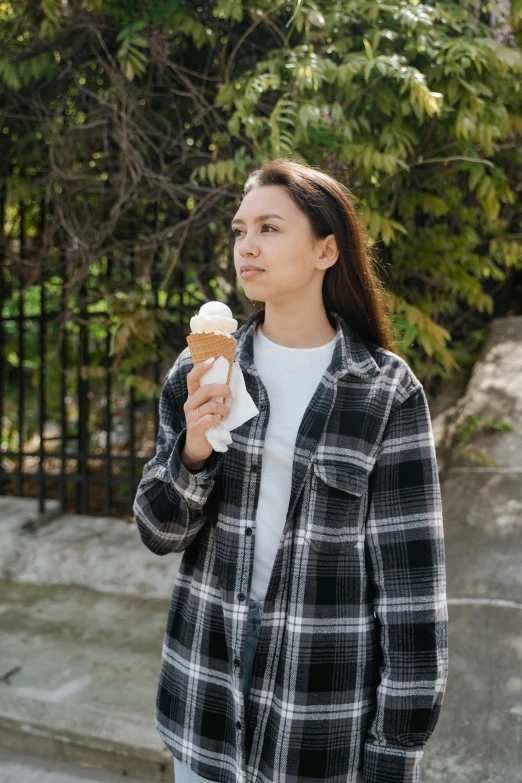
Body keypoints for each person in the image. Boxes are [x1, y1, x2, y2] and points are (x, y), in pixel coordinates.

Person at [133, 158, 449, 783]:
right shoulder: (200, 371)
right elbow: (156, 532)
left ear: (326, 249)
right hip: (205, 689)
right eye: (239, 229)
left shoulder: (384, 391)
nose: (246, 246)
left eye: (270, 229)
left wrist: (396, 750)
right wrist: (194, 450)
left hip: (321, 705)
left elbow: (413, 592)